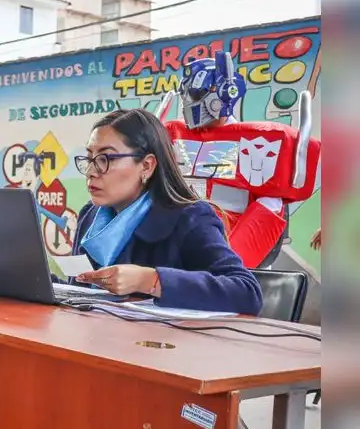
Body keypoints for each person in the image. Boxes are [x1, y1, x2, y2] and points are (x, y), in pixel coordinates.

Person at [70, 108, 262, 316]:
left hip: (165, 345)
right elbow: (81, 291)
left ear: (146, 166)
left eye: (105, 158)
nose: (90, 172)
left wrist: (150, 280)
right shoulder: (90, 215)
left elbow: (246, 293)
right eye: (90, 158)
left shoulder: (190, 217)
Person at [164, 51, 320, 269]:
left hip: (235, 259)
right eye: (186, 96)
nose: (188, 103)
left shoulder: (257, 143)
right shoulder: (176, 135)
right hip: (185, 247)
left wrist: (230, 268)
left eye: (197, 95)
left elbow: (270, 206)